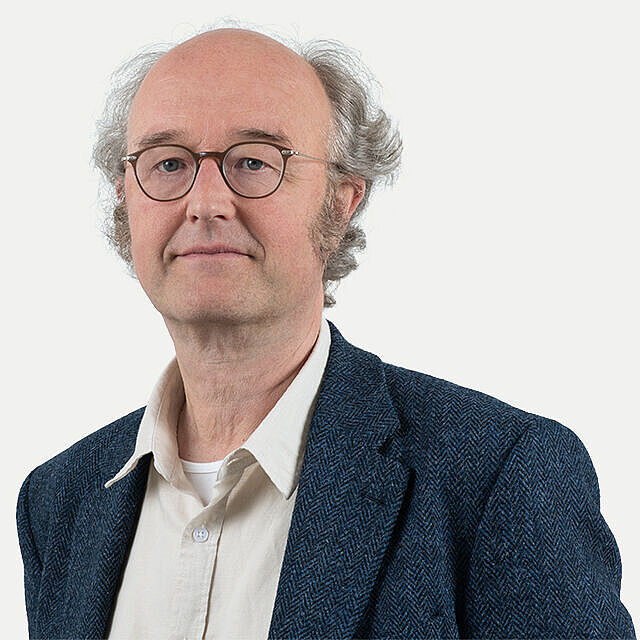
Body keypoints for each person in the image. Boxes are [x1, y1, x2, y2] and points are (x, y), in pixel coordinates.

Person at [16, 26, 635, 640]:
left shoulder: (498, 475)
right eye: (168, 164)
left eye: (254, 161)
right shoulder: (59, 503)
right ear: (125, 199)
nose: (205, 203)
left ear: (341, 202)